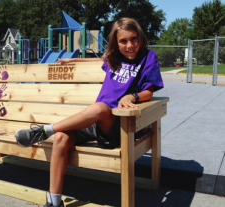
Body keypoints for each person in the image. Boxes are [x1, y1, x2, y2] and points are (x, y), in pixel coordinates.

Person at [15, 17, 164, 207]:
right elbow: (98, 59)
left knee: (100, 107)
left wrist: (132, 97)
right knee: (61, 138)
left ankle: (44, 131)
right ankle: (54, 202)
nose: (130, 45)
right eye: (123, 41)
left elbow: (149, 91)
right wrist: (73, 60)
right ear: (116, 44)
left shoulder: (147, 57)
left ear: (140, 38)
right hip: (95, 123)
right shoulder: (113, 58)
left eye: (133, 39)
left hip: (118, 127)